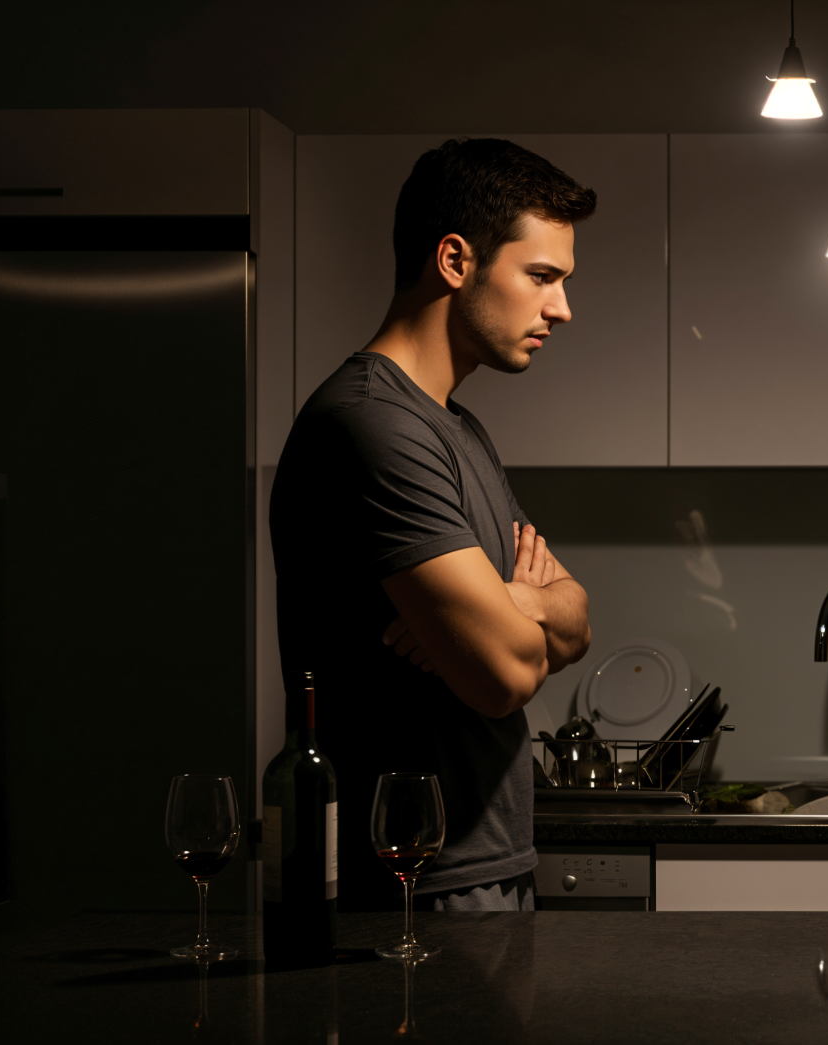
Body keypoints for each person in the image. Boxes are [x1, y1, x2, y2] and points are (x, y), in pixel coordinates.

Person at [271, 138, 596, 913]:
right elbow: (507, 677)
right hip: (415, 877)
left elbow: (576, 619)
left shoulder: (456, 429)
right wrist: (511, 619)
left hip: (485, 864)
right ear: (456, 260)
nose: (562, 308)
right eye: (542, 277)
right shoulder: (372, 426)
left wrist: (515, 605)